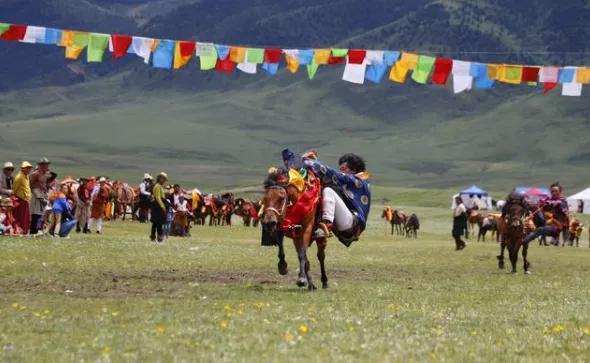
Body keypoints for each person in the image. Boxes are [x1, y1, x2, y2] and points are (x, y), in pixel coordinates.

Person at [284, 149, 371, 247]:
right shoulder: (348, 183)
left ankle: (326, 225)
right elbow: (330, 175)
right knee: (322, 190)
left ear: (354, 169)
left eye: (344, 168)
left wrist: (307, 161)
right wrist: (315, 162)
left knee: (328, 190)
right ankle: (313, 226)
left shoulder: (359, 181)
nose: (341, 171)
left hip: (353, 224)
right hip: (344, 223)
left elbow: (332, 174)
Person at [523, 182, 569, 247]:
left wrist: (549, 203)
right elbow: (544, 205)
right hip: (547, 223)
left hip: (557, 225)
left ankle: (524, 241)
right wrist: (540, 203)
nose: (554, 193)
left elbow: (559, 205)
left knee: (540, 230)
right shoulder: (549, 199)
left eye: (556, 191)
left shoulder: (562, 200)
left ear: (560, 192)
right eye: (552, 191)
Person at [29, 158, 55, 235]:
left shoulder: (44, 175)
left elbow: (49, 180)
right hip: (36, 195)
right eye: (45, 165)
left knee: (41, 213)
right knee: (35, 213)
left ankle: (38, 230)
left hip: (42, 194)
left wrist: (52, 174)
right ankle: (33, 231)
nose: (47, 166)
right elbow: (30, 185)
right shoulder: (35, 174)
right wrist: (37, 195)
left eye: (47, 165)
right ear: (41, 165)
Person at [12, 162, 33, 235]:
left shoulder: (26, 176)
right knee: (19, 217)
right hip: (20, 200)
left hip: (25, 200)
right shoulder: (19, 177)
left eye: (29, 168)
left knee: (25, 217)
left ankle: (24, 231)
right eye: (27, 168)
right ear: (22, 168)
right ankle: (18, 230)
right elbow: (14, 188)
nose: (28, 170)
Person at [150, 172, 168, 242]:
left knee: (155, 222)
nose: (164, 181)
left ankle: (153, 236)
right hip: (158, 206)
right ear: (160, 178)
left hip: (156, 205)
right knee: (159, 222)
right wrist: (162, 206)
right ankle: (160, 236)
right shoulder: (157, 186)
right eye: (164, 179)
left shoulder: (158, 186)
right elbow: (158, 197)